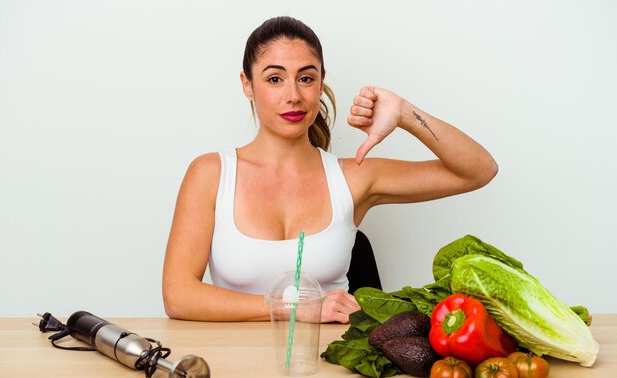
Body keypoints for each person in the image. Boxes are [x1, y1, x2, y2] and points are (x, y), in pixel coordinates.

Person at [162, 16, 497, 324]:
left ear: (320, 84)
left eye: (306, 78)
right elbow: (178, 296)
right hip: (237, 368)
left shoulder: (354, 177)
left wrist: (404, 113)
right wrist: (295, 309)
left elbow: (478, 170)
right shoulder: (211, 174)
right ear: (247, 85)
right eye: (275, 79)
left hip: (328, 368)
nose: (293, 95)